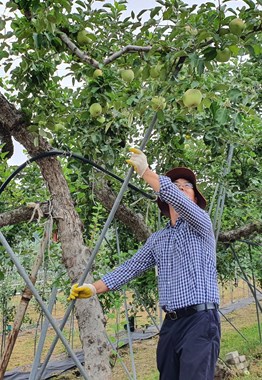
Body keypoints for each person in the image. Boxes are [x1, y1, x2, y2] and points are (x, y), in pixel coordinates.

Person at [69, 148, 221, 380]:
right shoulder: (158, 239)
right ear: (163, 199)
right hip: (171, 325)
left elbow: (179, 200)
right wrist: (93, 288)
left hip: (200, 321)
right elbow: (129, 268)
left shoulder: (200, 224)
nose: (180, 186)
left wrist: (146, 172)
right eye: (175, 183)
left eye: (187, 185)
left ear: (195, 197)